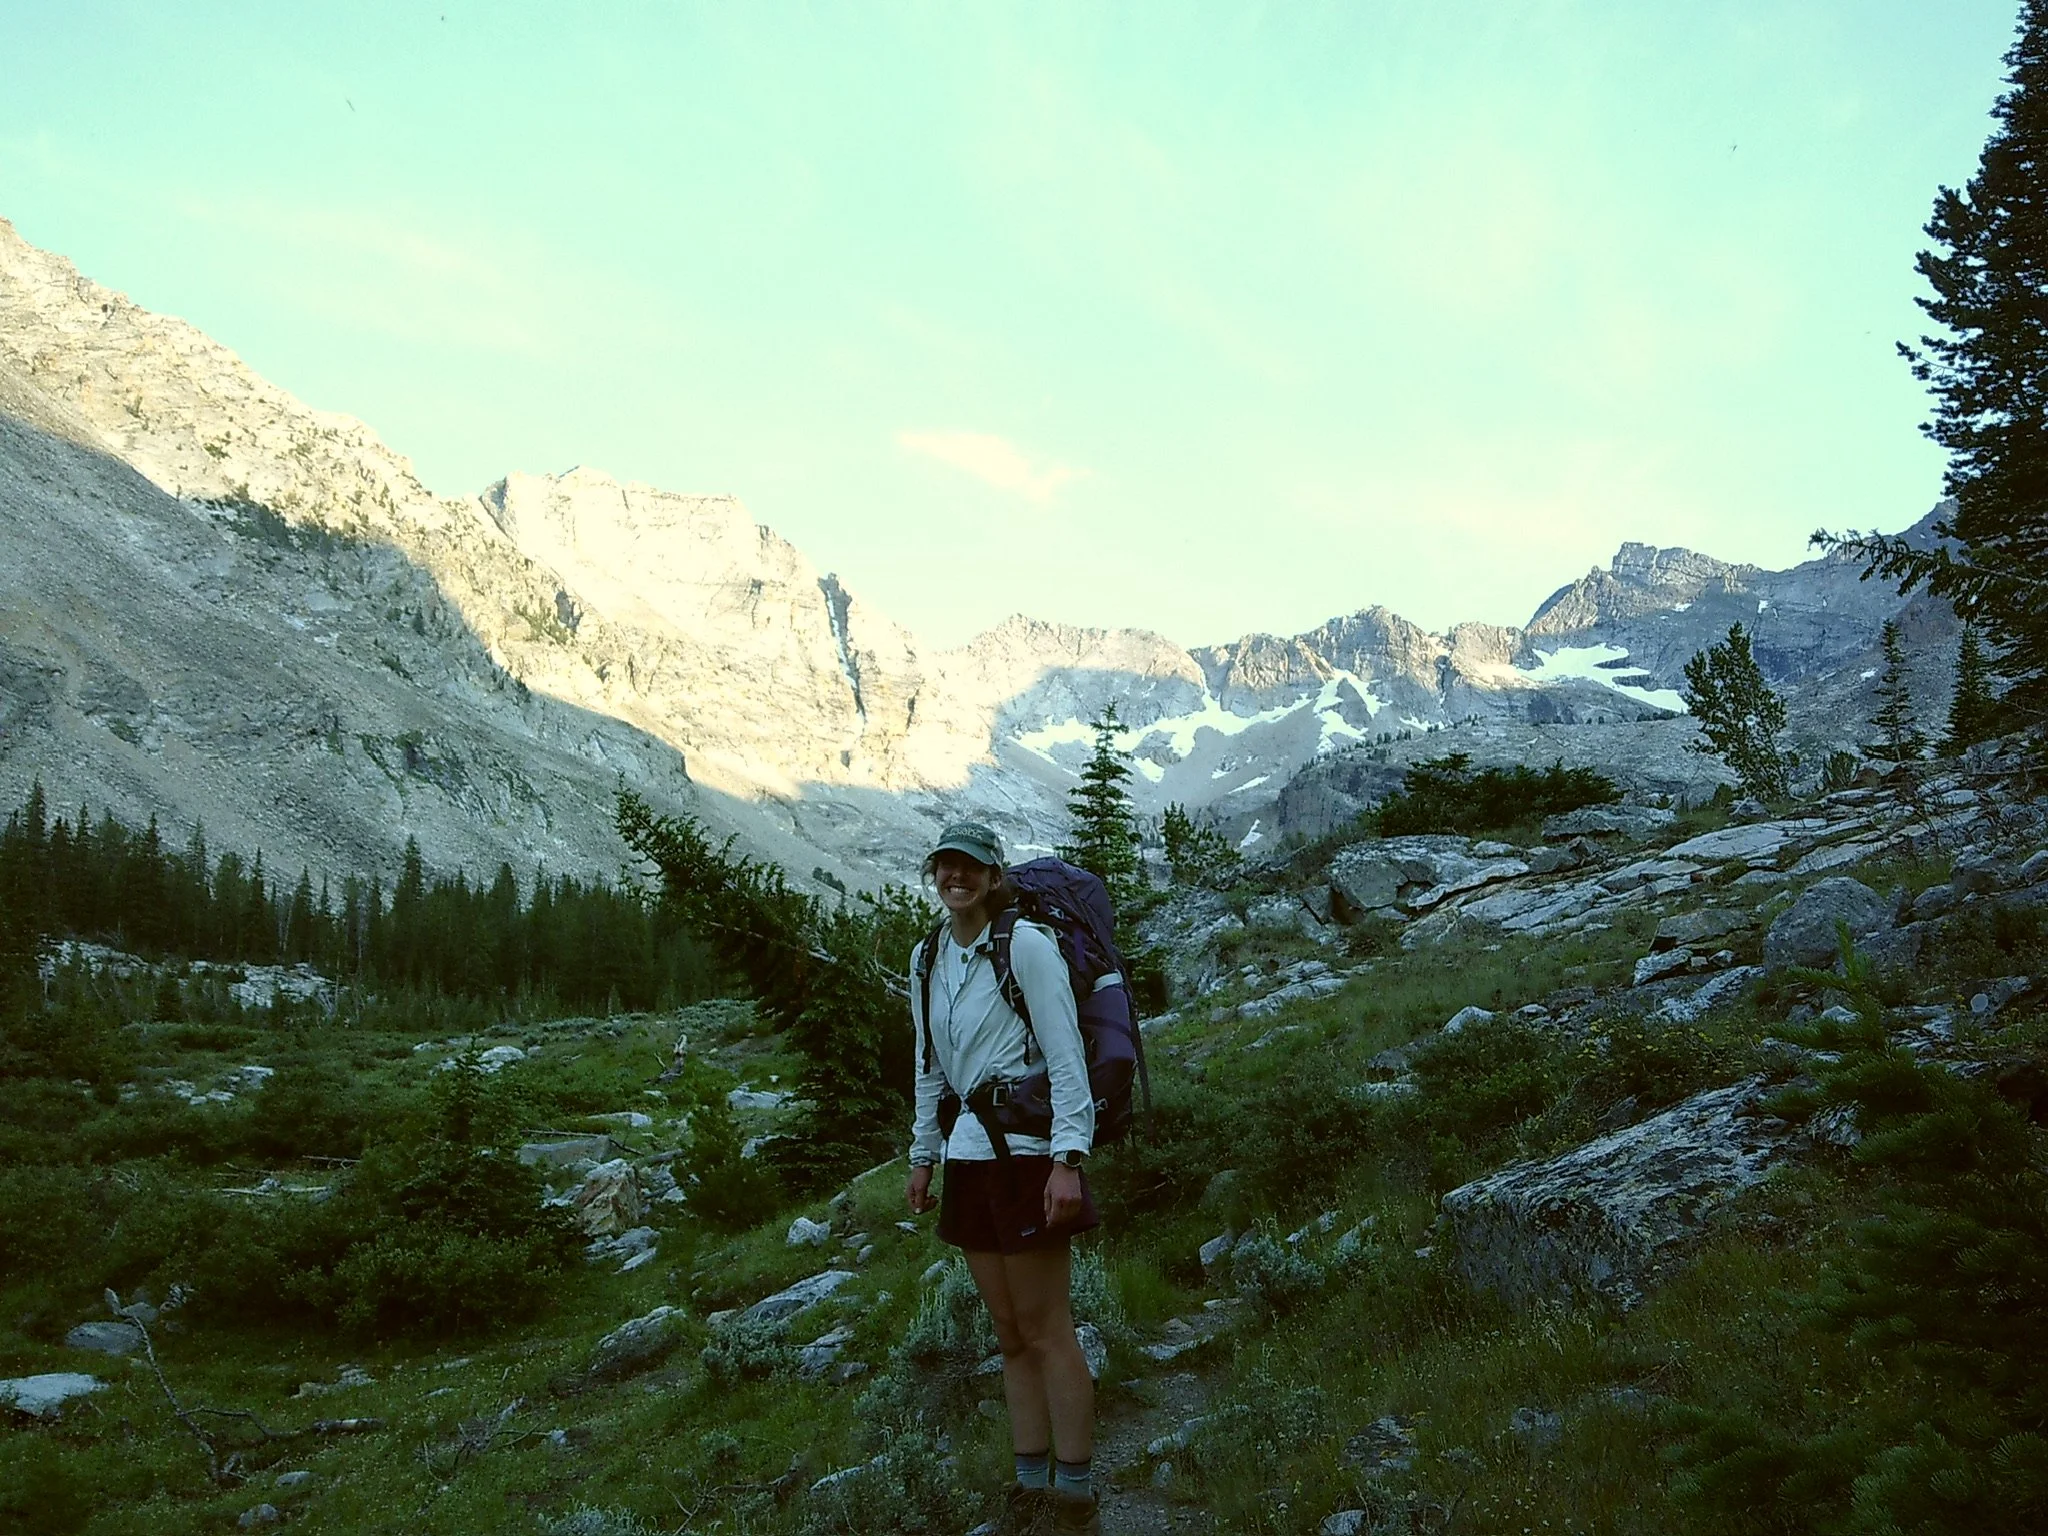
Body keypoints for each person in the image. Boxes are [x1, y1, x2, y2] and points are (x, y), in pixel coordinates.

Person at [906, 821, 1101, 1536]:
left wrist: (1067, 1160)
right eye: (945, 866)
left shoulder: (1027, 945)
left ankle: (1074, 1492)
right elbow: (928, 1062)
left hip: (1027, 1154)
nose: (955, 877)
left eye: (970, 866)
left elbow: (1066, 1054)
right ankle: (1029, 1482)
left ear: (994, 877)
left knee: (1047, 1328)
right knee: (1009, 1331)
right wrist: (922, 1154)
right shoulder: (927, 955)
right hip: (968, 1155)